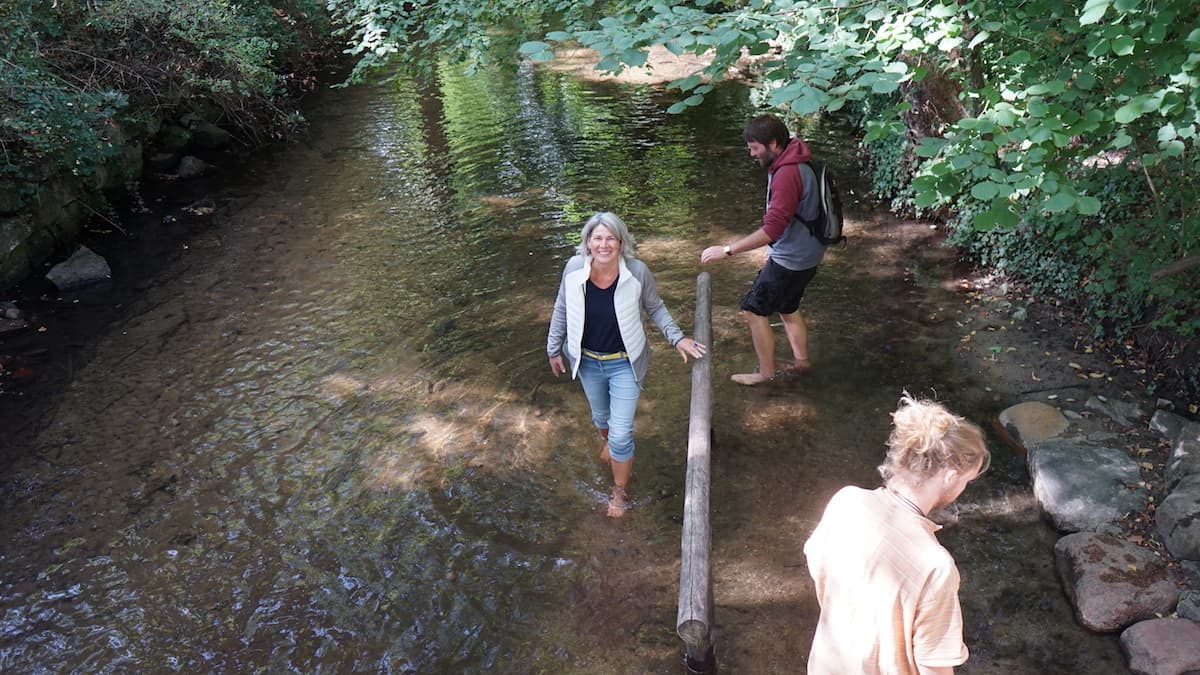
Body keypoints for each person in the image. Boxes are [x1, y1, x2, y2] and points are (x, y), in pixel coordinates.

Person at [803, 395, 991, 675]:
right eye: (966, 481)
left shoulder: (847, 501)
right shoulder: (934, 566)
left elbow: (818, 569)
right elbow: (933, 667)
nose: (962, 490)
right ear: (951, 476)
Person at [547, 212, 706, 517]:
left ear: (621, 242)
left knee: (620, 435)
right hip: (588, 362)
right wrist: (553, 349)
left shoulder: (637, 271)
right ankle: (611, 446)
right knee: (601, 419)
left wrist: (677, 338)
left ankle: (619, 491)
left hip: (625, 364)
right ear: (588, 242)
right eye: (597, 238)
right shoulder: (573, 268)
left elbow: (655, 307)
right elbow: (561, 308)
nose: (604, 244)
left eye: (611, 238)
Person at [700, 113, 826, 385]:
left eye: (755, 148)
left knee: (753, 310)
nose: (751, 154)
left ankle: (765, 374)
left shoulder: (787, 173)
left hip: (791, 259)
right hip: (808, 253)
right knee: (787, 306)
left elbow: (772, 230)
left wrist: (727, 250)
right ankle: (802, 364)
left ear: (773, 144)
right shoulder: (795, 158)